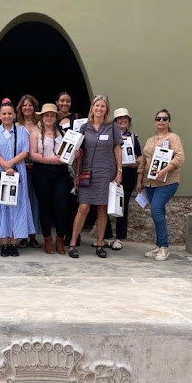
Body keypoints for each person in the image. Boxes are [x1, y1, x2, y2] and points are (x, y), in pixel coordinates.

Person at [68, 94, 122, 259]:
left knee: (102, 209)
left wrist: (119, 172)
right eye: (97, 105)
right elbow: (81, 152)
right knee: (83, 207)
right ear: (92, 108)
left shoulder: (112, 127)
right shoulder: (85, 127)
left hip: (106, 172)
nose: (99, 108)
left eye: (103, 106)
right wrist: (76, 173)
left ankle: (100, 244)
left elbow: (117, 149)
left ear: (106, 110)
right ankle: (72, 243)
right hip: (87, 172)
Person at [0, 100, 34, 257]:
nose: (7, 116)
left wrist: (11, 163)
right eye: (4, 113)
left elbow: (25, 151)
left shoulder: (22, 131)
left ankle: (14, 243)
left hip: (17, 171)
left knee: (16, 204)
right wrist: (5, 165)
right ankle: (4, 243)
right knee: (2, 204)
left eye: (9, 113)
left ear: (14, 115)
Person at [136, 109, 185, 261]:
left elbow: (180, 157)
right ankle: (159, 245)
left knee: (156, 210)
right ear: (155, 121)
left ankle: (164, 246)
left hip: (168, 182)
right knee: (158, 212)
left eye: (165, 119)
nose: (161, 121)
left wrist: (164, 171)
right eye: (159, 119)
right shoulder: (150, 140)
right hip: (150, 183)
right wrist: (139, 181)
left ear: (169, 121)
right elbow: (143, 161)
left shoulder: (173, 138)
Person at [101, 107, 143, 250]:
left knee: (122, 206)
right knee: (104, 204)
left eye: (125, 118)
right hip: (111, 172)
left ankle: (120, 238)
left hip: (128, 174)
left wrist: (135, 162)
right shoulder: (109, 135)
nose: (123, 120)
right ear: (115, 121)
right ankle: (106, 236)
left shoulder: (133, 137)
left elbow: (140, 157)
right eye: (120, 118)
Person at [29, 103, 67, 254]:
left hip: (61, 172)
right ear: (42, 117)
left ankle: (60, 238)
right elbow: (32, 154)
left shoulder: (63, 134)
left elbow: (68, 153)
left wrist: (73, 155)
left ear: (56, 117)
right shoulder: (35, 134)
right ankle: (47, 239)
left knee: (62, 206)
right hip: (42, 171)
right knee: (45, 206)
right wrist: (52, 160)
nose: (49, 117)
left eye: (52, 115)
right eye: (46, 115)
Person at [55, 91, 84, 246]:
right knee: (61, 203)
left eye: (68, 101)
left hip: (73, 164)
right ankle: (61, 233)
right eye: (62, 101)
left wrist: (78, 171)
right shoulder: (52, 118)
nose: (65, 104)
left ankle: (74, 235)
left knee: (72, 203)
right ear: (57, 102)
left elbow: (83, 143)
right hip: (57, 165)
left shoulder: (78, 119)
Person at [16, 94, 41, 249]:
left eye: (30, 105)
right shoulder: (15, 125)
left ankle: (33, 236)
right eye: (24, 105)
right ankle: (22, 236)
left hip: (38, 168)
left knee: (35, 202)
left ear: (34, 108)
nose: (27, 108)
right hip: (20, 168)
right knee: (21, 202)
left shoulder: (40, 126)